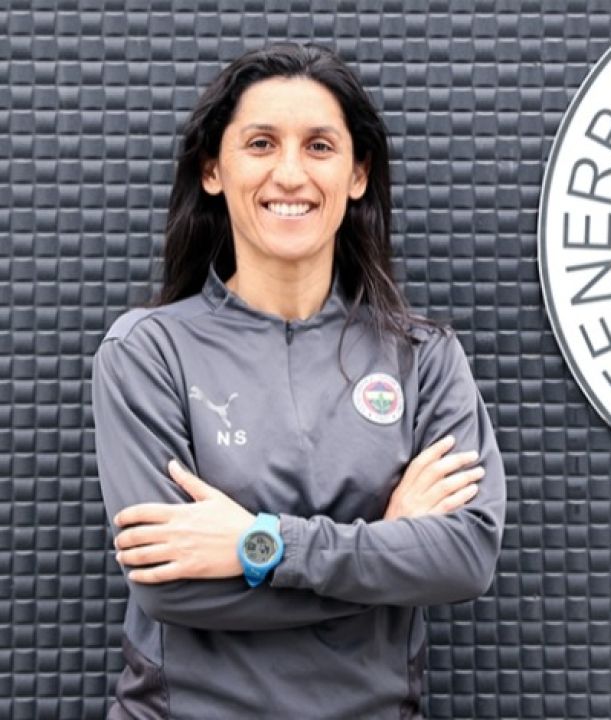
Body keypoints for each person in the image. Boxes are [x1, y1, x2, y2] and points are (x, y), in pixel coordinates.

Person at [90, 43, 505, 718]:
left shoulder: (422, 356)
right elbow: (170, 585)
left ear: (357, 173)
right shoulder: (148, 351)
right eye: (260, 144)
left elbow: (463, 557)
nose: (290, 173)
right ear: (213, 170)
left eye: (319, 146)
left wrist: (257, 546)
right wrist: (387, 548)